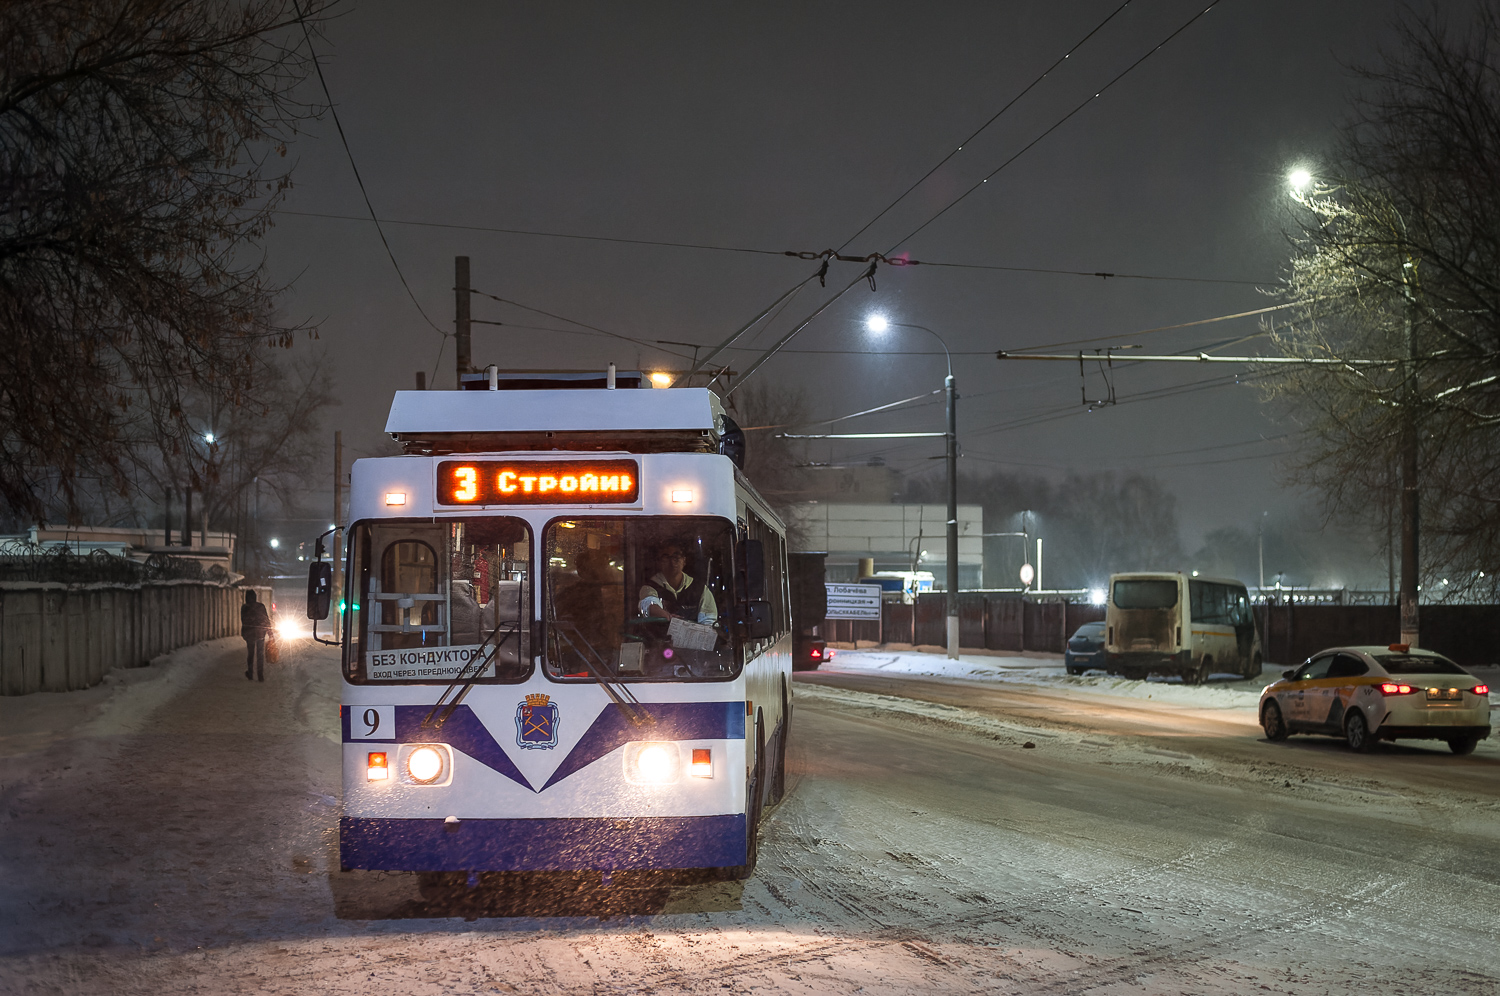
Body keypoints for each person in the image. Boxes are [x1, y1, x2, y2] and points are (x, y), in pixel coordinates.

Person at [638, 542, 717, 625]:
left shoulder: (700, 590)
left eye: (676, 556)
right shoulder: (650, 587)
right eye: (666, 557)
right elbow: (649, 605)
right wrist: (666, 616)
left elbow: (709, 622)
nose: (672, 561)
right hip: (658, 638)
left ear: (684, 561)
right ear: (659, 562)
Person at [241, 589, 271, 682]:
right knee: (260, 654)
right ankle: (260, 675)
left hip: (249, 634)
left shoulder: (244, 607)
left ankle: (250, 673)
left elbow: (243, 621)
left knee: (250, 654)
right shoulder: (260, 606)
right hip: (260, 633)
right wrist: (270, 633)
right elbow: (266, 620)